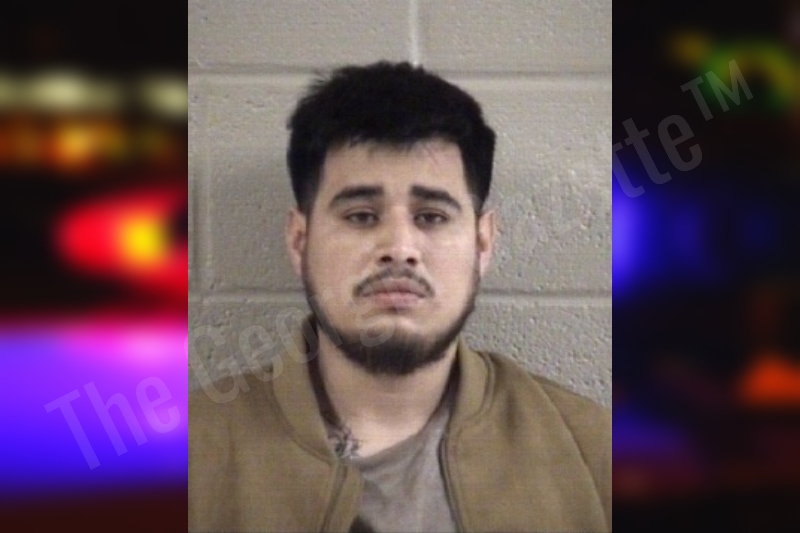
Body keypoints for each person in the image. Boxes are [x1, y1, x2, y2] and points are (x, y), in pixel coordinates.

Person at [189, 61, 611, 533]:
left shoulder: (593, 453)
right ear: (299, 241)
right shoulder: (188, 456)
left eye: (431, 216)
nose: (400, 249)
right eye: (361, 216)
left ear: (482, 243)